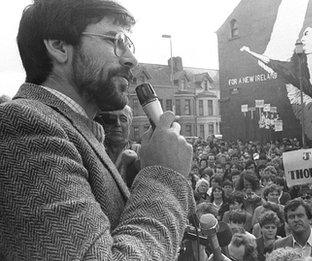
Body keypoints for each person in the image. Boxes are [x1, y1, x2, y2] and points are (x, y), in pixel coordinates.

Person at [0, 0, 195, 260]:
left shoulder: (78, 130)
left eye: (129, 45)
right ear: (59, 46)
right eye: (114, 40)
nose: (131, 59)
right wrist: (163, 178)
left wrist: (139, 182)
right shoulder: (24, 125)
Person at [240, 22, 312, 140]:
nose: (302, 39)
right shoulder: (298, 72)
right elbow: (272, 63)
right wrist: (250, 52)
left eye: (306, 34)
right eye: (302, 36)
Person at [96, 105, 140, 187]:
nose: (117, 123)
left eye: (123, 119)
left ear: (129, 125)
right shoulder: (97, 150)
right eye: (112, 119)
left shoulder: (138, 151)